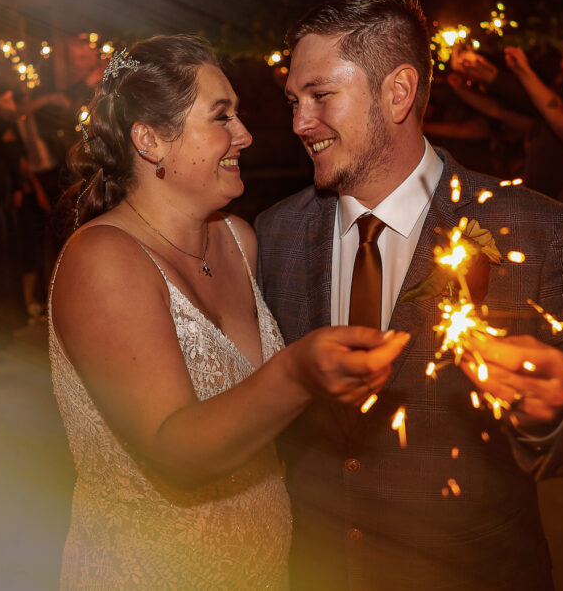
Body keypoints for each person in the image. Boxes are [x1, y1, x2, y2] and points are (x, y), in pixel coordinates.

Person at [255, 0, 563, 590]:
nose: (300, 122)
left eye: (321, 96)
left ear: (397, 92)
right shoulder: (273, 234)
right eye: (295, 100)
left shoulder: (535, 228)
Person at [48, 34, 407, 588]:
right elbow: (174, 451)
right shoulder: (104, 260)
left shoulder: (240, 241)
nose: (245, 135)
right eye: (222, 118)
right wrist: (298, 371)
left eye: (237, 115)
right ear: (150, 140)